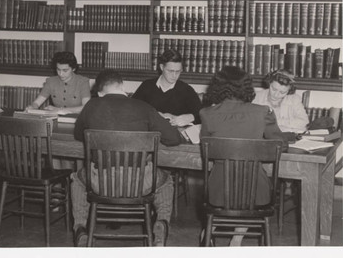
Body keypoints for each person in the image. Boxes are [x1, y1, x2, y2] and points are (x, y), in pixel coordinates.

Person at [72, 69, 185, 247]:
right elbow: (173, 138)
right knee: (166, 180)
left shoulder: (91, 106)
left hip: (100, 182)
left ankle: (80, 228)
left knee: (77, 179)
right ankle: (161, 224)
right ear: (122, 86)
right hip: (140, 183)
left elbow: (79, 135)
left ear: (100, 93)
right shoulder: (144, 107)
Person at [199, 66, 288, 246]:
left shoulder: (206, 114)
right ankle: (237, 238)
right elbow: (280, 145)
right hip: (256, 192)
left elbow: (206, 144)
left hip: (217, 191)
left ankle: (211, 230)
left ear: (217, 87)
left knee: (230, 194)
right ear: (247, 87)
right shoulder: (263, 112)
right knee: (248, 193)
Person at [132, 49, 202, 127]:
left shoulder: (186, 90)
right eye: (170, 71)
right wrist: (154, 115)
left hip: (177, 134)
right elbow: (132, 110)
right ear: (162, 67)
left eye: (178, 71)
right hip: (151, 134)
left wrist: (191, 117)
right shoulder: (147, 86)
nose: (174, 75)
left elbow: (202, 115)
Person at [253, 69, 309, 133]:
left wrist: (276, 121)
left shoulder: (294, 99)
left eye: (282, 92)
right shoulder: (257, 97)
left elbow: (304, 121)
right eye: (274, 89)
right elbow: (253, 122)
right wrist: (287, 126)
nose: (276, 95)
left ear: (289, 91)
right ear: (269, 83)